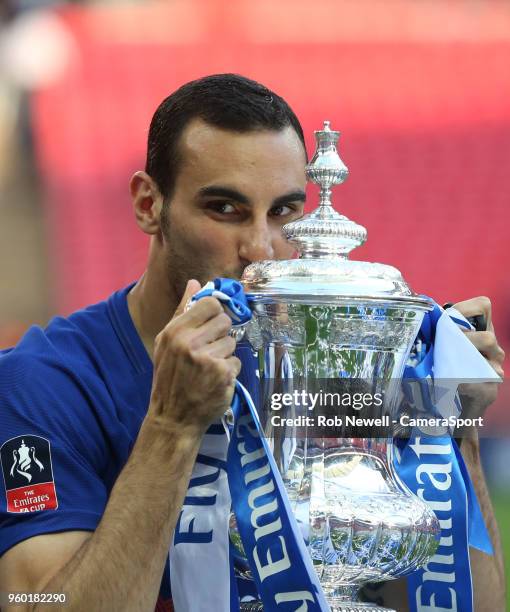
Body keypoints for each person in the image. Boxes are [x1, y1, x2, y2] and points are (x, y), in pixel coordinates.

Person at [0, 74, 505, 612]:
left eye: (285, 212)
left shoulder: (325, 373)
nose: (260, 248)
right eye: (225, 209)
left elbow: (456, 604)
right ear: (150, 204)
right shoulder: (41, 385)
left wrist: (452, 433)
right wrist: (171, 428)